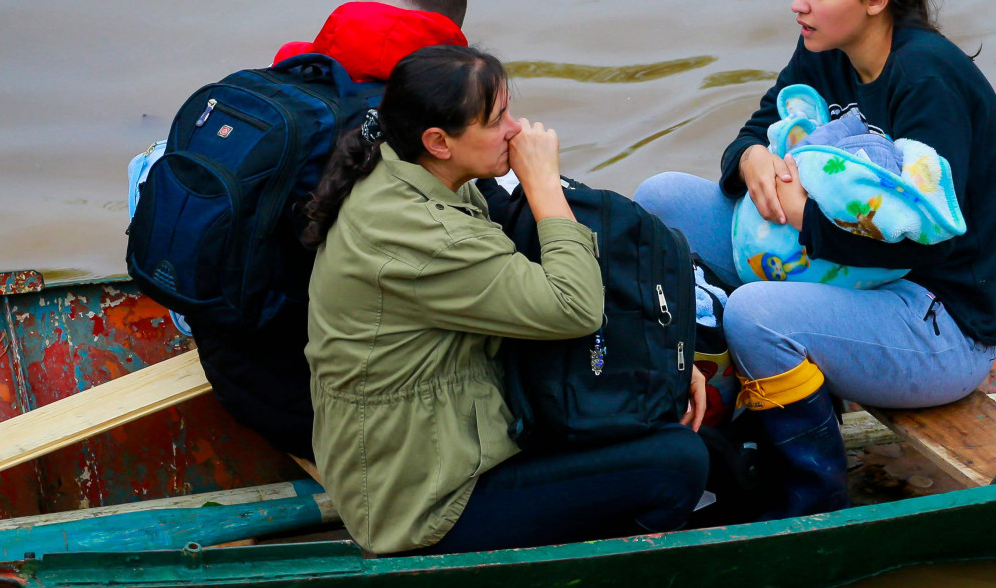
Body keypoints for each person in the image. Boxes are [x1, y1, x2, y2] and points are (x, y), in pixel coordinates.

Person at [635, 0, 996, 515]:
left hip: (936, 319)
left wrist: (800, 215)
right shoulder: (823, 48)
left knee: (757, 315)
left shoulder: (926, 80)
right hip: (841, 269)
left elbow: (931, 240)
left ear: (875, 0)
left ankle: (808, 496)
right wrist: (753, 161)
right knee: (660, 202)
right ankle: (721, 404)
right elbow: (754, 130)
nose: (798, 4)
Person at [301, 45, 708, 555]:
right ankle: (604, 582)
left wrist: (656, 359)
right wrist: (542, 187)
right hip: (424, 502)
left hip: (457, 438)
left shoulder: (417, 173)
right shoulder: (420, 233)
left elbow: (523, 294)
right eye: (496, 121)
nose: (516, 129)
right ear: (438, 141)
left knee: (680, 426)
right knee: (678, 462)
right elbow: (574, 307)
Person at [180, 0, 471, 470]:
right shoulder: (423, 136)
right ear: (449, 38)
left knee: (151, 161)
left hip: (235, 376)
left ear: (354, 5)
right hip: (336, 421)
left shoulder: (270, 86)